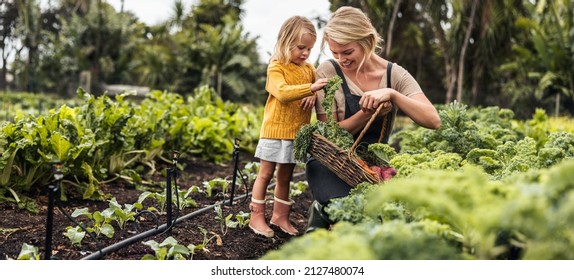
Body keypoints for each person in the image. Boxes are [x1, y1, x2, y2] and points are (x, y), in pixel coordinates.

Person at [305, 6, 441, 233]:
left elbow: (432, 120)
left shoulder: (393, 74)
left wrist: (392, 94)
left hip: (372, 167)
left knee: (390, 215)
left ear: (367, 40)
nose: (341, 59)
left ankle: (323, 212)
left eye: (347, 52)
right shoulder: (328, 72)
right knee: (350, 210)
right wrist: (365, 113)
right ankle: (322, 210)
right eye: (335, 52)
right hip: (332, 162)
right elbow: (329, 134)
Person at [249, 16, 329, 238]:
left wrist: (313, 95)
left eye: (309, 49)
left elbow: (315, 93)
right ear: (285, 42)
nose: (305, 53)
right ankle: (256, 217)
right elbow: (283, 93)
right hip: (274, 131)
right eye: (301, 47)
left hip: (296, 133)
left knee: (286, 177)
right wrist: (310, 89)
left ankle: (280, 217)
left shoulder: (309, 69)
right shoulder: (276, 67)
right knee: (265, 174)